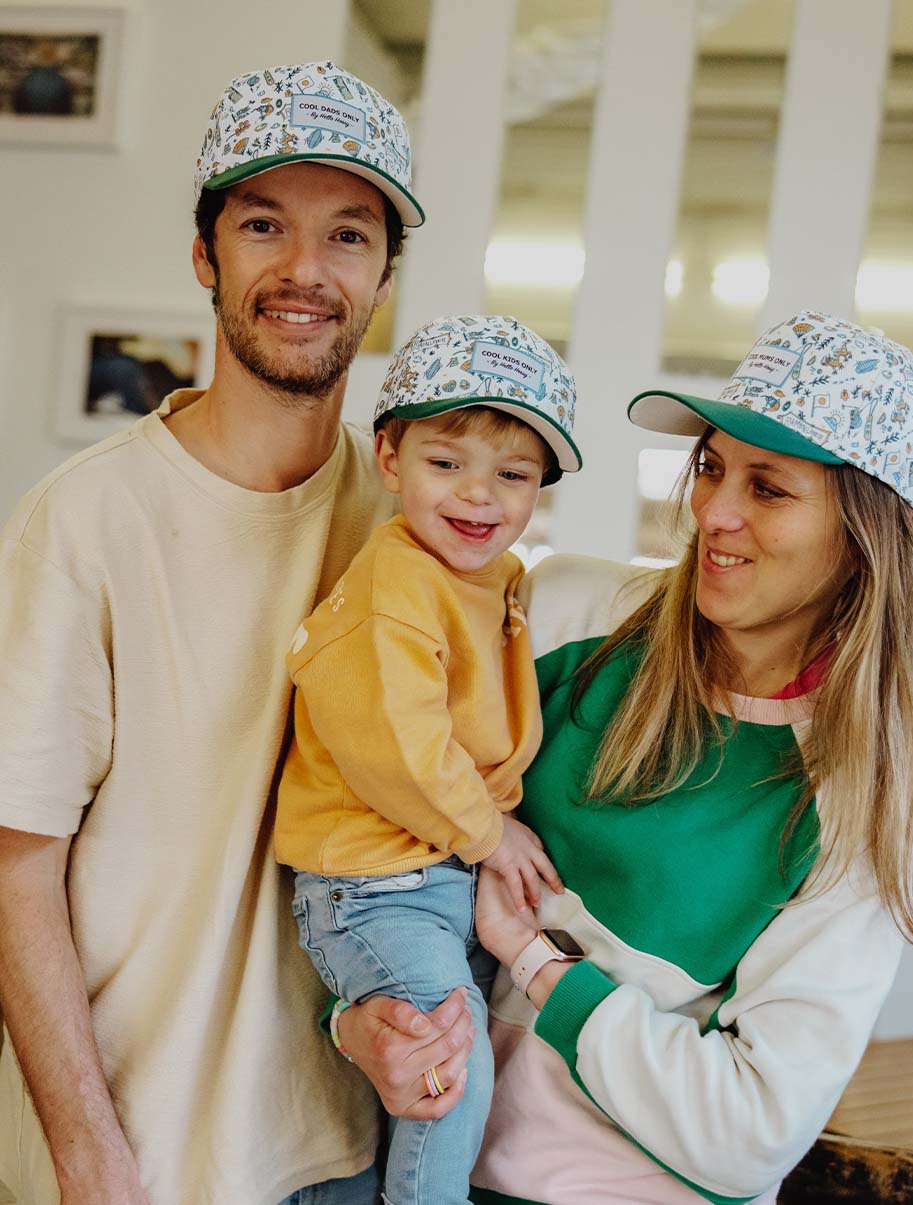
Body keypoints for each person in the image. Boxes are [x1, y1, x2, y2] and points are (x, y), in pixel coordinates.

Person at [0, 60, 472, 1205]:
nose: (305, 270)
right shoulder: (89, 514)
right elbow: (18, 862)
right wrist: (86, 1152)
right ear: (207, 255)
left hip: (341, 1146)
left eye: (349, 236)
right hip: (129, 1153)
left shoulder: (415, 528)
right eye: (266, 225)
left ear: (385, 278)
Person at [459, 310, 913, 1204]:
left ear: (862, 536)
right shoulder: (566, 615)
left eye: (769, 488)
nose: (711, 512)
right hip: (421, 1169)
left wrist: (536, 963)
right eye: (713, 467)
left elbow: (749, 1135)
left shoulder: (848, 802)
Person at [277, 314, 581, 1205]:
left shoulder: (492, 576)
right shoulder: (396, 585)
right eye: (447, 463)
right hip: (375, 882)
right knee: (451, 1068)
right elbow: (397, 748)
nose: (479, 496)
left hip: (434, 873)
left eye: (513, 474)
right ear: (390, 459)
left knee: (423, 1076)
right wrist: (489, 833)